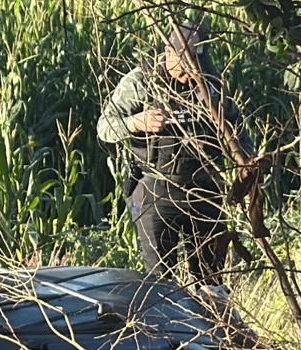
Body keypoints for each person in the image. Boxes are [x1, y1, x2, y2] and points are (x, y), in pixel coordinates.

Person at [97, 20, 254, 288]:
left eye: (196, 68)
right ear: (169, 52)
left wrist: (249, 165)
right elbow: (104, 127)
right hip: (156, 190)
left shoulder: (211, 83)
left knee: (211, 280)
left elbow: (237, 130)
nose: (190, 76)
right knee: (160, 284)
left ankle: (212, 326)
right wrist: (136, 122)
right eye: (185, 68)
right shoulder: (142, 82)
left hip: (205, 189)